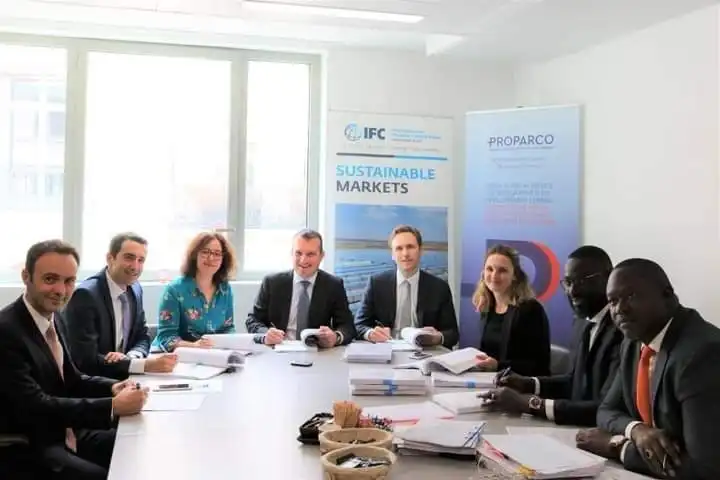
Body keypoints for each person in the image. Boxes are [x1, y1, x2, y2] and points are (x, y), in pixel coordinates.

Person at [0, 240, 148, 479]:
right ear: (26, 276)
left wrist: (113, 387)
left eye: (69, 281)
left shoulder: (54, 317)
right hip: (30, 444)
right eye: (50, 279)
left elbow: (72, 379)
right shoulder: (6, 331)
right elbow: (34, 406)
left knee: (139, 444)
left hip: (65, 430)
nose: (60, 290)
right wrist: (112, 406)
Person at [576, 259, 720, 479]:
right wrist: (636, 430)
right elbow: (606, 410)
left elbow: (705, 470)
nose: (620, 309)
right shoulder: (633, 341)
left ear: (667, 295)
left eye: (631, 296)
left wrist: (618, 447)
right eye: (613, 301)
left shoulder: (702, 353)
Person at [478, 246, 622, 426]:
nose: (573, 291)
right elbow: (574, 382)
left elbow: (605, 408)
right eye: (568, 282)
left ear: (608, 279)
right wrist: (526, 383)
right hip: (572, 423)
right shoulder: (582, 323)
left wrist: (528, 403)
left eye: (582, 281)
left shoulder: (622, 331)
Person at [63, 233, 177, 378]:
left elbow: (142, 336)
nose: (135, 266)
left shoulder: (135, 288)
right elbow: (85, 361)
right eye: (129, 258)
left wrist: (132, 356)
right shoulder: (86, 295)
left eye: (141, 260)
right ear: (110, 258)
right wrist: (144, 365)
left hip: (125, 376)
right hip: (94, 382)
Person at [354, 225, 459, 349]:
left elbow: (453, 333)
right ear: (392, 254)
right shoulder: (376, 283)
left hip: (425, 351)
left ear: (421, 251)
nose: (405, 253)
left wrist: (437, 337)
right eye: (399, 248)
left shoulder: (439, 287)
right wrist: (370, 333)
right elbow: (359, 325)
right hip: (386, 349)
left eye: (410, 247)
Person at [245, 229, 355, 347]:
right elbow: (253, 320)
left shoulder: (333, 285)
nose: (303, 260)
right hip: (278, 348)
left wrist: (336, 337)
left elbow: (347, 326)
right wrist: (266, 334)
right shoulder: (272, 283)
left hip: (317, 350)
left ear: (321, 256)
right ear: (291, 253)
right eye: (298, 253)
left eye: (310, 254)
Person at [470, 244, 550, 376]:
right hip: (488, 380)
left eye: (502, 270)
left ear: (515, 275)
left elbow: (537, 365)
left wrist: (498, 365)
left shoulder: (531, 309)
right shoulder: (487, 306)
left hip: (518, 384)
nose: (494, 275)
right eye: (489, 269)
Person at [152, 232, 237, 352]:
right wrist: (194, 346)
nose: (211, 258)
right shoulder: (174, 290)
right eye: (205, 252)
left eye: (217, 253)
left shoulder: (225, 289)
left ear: (223, 259)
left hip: (213, 354)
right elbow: (166, 337)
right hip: (179, 356)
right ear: (194, 255)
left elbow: (228, 328)